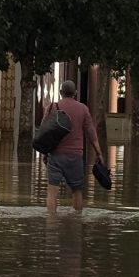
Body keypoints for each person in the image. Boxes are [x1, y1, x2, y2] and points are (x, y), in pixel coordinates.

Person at [44, 79, 104, 214]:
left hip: (56, 155)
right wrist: (99, 153)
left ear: (61, 92)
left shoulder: (52, 107)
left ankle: (51, 220)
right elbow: (91, 134)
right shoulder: (83, 109)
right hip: (75, 156)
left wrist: (45, 153)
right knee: (77, 191)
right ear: (75, 93)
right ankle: (77, 220)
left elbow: (44, 132)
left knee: (52, 192)